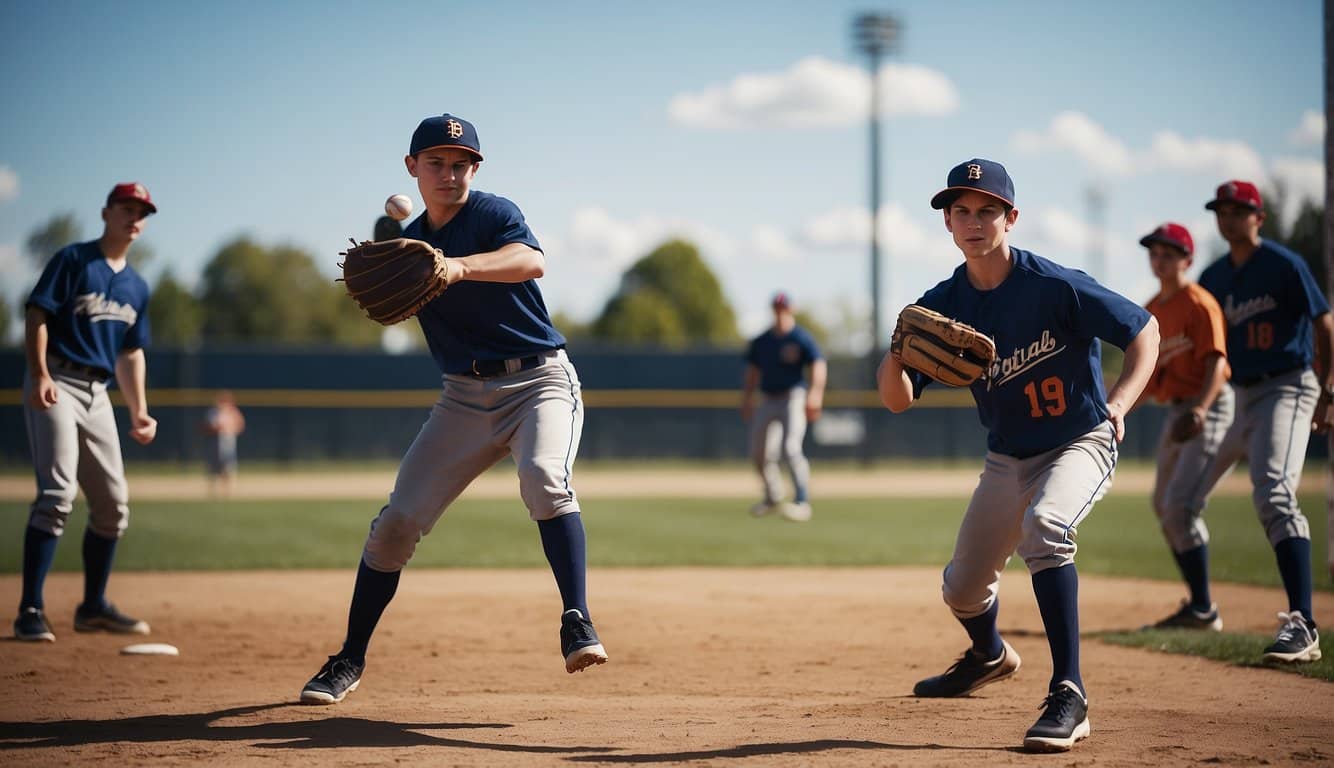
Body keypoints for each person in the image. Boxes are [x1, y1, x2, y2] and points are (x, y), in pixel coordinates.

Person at [300, 113, 606, 705]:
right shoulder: (408, 247)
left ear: (476, 169)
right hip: (462, 398)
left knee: (543, 479)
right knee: (395, 526)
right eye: (435, 162)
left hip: (538, 381)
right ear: (412, 168)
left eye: (461, 163)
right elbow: (385, 301)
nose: (450, 173)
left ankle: (577, 618)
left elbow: (530, 260)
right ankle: (348, 658)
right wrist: (399, 262)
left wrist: (460, 266)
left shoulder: (492, 213)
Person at [876, 159, 1158, 753]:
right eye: (961, 211)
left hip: (1080, 439)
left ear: (1011, 218)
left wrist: (1122, 401)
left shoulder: (1055, 285)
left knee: (1047, 526)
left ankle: (1070, 693)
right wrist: (897, 351)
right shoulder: (943, 305)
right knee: (960, 589)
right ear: (948, 224)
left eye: (986, 210)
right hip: (1008, 458)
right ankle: (989, 653)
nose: (973, 221)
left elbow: (1145, 330)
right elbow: (897, 402)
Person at [1193, 180, 1332, 664]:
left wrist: (1328, 388)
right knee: (1187, 497)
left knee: (1273, 490)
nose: (1227, 218)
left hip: (1290, 384)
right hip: (1241, 396)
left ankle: (1304, 623)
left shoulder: (1283, 264)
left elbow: (1324, 323)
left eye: (1237, 210)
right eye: (1221, 211)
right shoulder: (1213, 276)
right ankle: (1199, 606)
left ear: (1258, 217)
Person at [14, 182, 160, 642]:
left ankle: (92, 606)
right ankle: (30, 610)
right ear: (106, 212)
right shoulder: (74, 260)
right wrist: (39, 374)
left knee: (114, 507)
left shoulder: (136, 286)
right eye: (126, 207)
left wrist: (139, 410)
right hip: (56, 379)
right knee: (57, 495)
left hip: (98, 393)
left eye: (141, 211)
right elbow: (38, 315)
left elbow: (131, 353)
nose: (134, 216)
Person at [1135, 223, 1234, 631]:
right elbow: (1145, 374)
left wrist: (1203, 410)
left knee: (1180, 507)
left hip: (1206, 405)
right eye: (1155, 253)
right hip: (1177, 410)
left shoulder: (1199, 303)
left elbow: (1217, 362)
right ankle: (1198, 603)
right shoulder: (1153, 309)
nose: (1160, 260)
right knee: (1163, 505)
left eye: (1169, 254)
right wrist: (1113, 409)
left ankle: (1204, 608)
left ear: (1187, 260)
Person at [740, 291, 826, 522]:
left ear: (790, 310)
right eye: (777, 309)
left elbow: (818, 364)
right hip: (767, 398)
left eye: (783, 308)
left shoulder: (800, 338)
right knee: (759, 453)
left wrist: (815, 394)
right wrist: (747, 398)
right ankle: (773, 496)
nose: (780, 313)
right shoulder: (763, 341)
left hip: (793, 396)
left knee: (790, 448)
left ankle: (802, 501)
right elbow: (752, 371)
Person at [201, 390, 246, 498]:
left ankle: (228, 492)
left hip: (228, 443)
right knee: (213, 468)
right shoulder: (212, 412)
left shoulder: (232, 412)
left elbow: (240, 425)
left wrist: (230, 429)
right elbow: (205, 427)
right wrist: (215, 429)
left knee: (228, 468)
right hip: (214, 442)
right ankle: (212, 492)